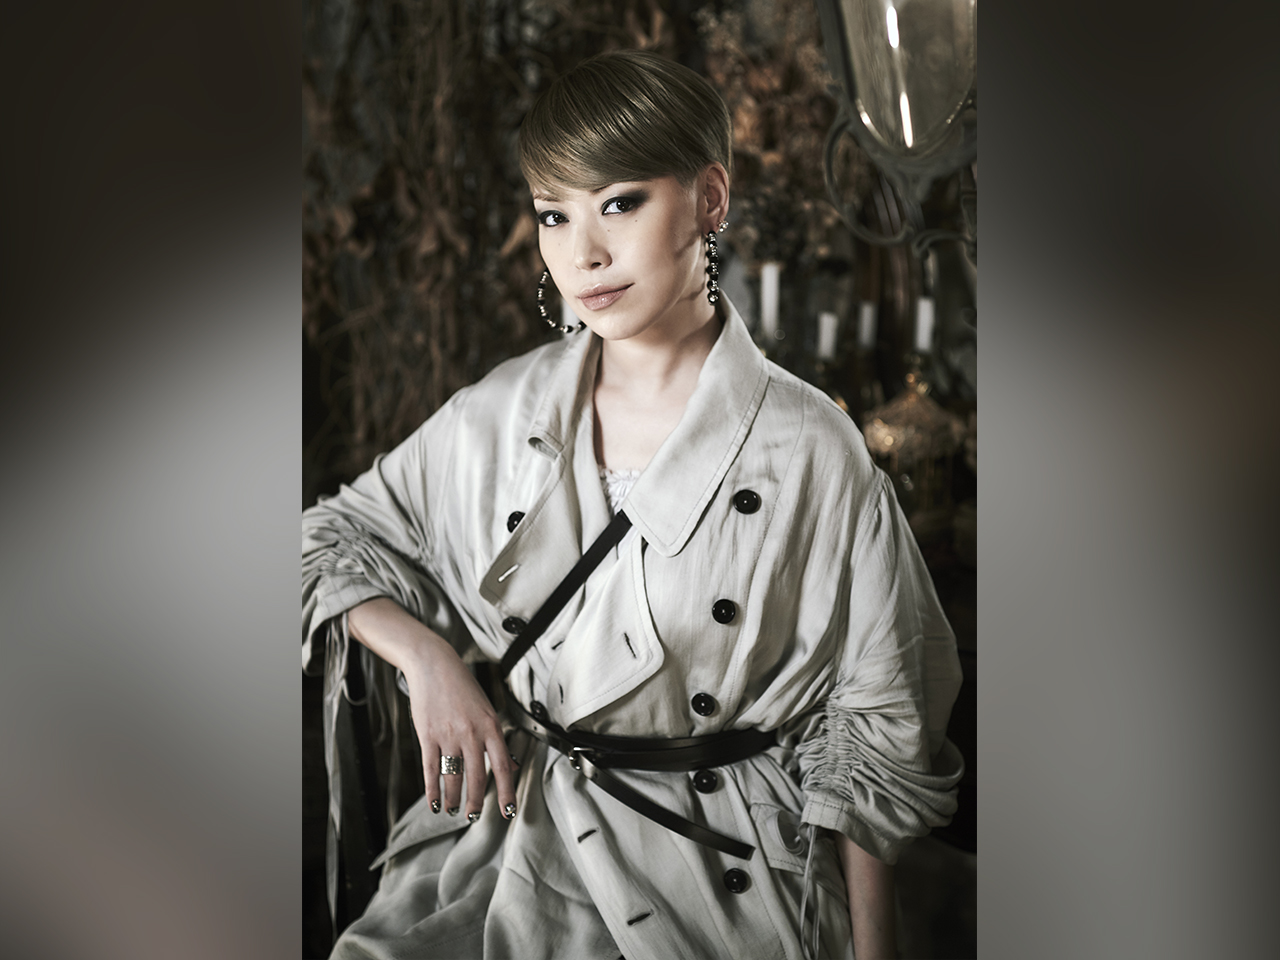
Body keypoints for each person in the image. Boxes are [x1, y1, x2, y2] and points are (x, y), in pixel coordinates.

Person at [303, 50, 963, 960]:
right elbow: (327, 537)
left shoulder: (810, 444)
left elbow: (876, 721)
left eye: (619, 203)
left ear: (710, 199)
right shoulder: (504, 412)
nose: (584, 254)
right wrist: (429, 660)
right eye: (554, 214)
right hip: (514, 836)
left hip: (721, 864)